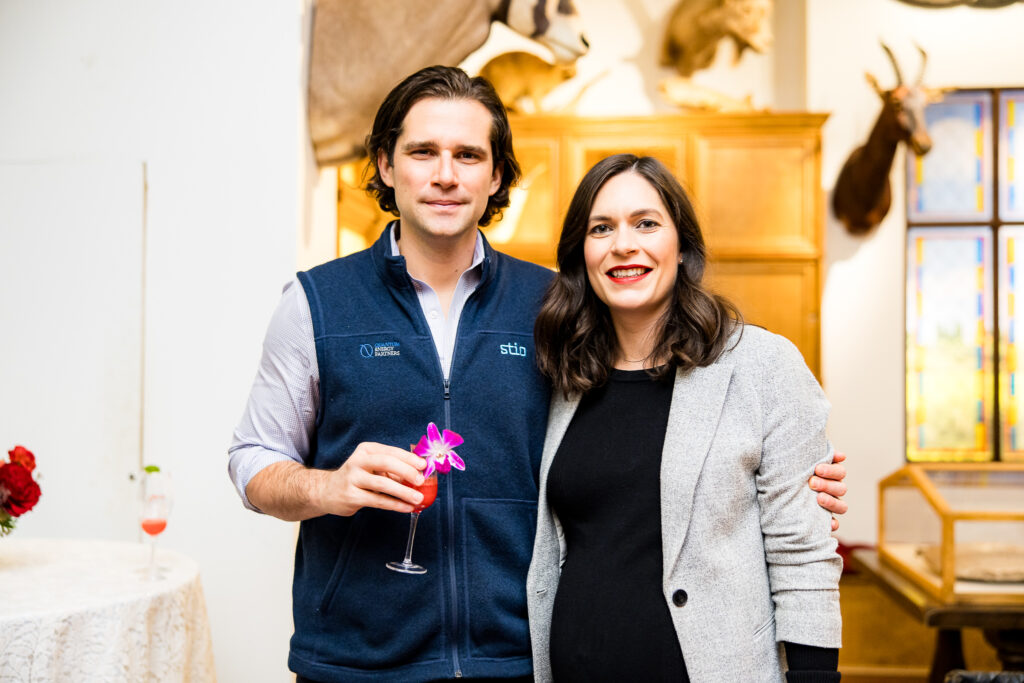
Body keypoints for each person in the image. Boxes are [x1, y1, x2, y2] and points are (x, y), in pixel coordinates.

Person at [228, 67, 847, 682]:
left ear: (496, 175)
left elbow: (662, 420)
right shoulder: (315, 303)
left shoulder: (554, 310)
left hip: (519, 661)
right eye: (424, 152)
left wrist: (794, 485)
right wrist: (326, 489)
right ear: (387, 166)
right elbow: (252, 458)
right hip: (353, 662)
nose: (446, 173)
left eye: (469, 155)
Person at [526, 154, 843, 682]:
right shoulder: (562, 374)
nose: (623, 244)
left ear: (681, 245)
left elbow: (803, 549)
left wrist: (815, 677)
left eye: (646, 223)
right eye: (601, 228)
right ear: (582, 255)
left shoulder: (761, 365)